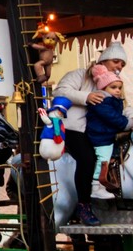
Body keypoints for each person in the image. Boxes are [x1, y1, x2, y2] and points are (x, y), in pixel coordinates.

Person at [54, 42, 133, 226]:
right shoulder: (80, 75)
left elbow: (124, 106)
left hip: (98, 131)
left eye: (122, 64)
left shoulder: (114, 84)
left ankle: (111, 199)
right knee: (88, 159)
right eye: (116, 61)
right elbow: (60, 91)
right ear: (103, 60)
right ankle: (84, 205)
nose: (119, 66)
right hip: (75, 128)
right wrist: (86, 97)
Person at [86, 65, 128, 211]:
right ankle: (96, 186)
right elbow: (112, 117)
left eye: (119, 88)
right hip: (101, 136)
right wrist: (126, 123)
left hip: (107, 134)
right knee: (103, 159)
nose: (117, 90)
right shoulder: (102, 101)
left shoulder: (113, 100)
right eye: (113, 87)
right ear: (104, 88)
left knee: (110, 158)